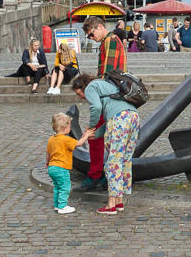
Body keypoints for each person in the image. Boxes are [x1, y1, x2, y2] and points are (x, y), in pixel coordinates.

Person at [71, 73, 141, 215]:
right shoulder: (107, 86)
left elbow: (96, 108)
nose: (81, 98)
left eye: (79, 94)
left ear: (82, 86)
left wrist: (90, 126)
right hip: (133, 117)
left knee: (113, 163)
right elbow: (111, 118)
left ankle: (111, 206)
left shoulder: (91, 87)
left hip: (120, 120)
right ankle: (119, 201)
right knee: (124, 161)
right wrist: (94, 134)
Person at [80, 15, 127, 190]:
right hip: (112, 95)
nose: (91, 38)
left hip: (109, 96)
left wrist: (97, 93)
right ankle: (106, 175)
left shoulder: (110, 41)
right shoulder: (108, 42)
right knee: (107, 138)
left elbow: (108, 75)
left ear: (99, 26)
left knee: (94, 136)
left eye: (91, 34)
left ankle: (95, 175)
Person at [46, 112, 94, 214]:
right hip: (61, 168)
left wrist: (47, 163)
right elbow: (79, 143)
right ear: (64, 128)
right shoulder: (66, 139)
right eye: (69, 126)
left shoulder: (51, 139)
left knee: (57, 187)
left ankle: (57, 205)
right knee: (65, 187)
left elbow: (48, 153)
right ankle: (62, 206)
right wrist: (87, 135)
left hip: (52, 167)